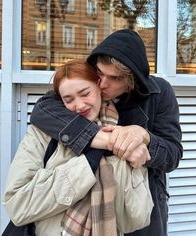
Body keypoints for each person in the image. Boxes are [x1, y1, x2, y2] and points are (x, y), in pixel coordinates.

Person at [30, 29, 183, 236]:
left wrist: (144, 136)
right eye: (100, 73)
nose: (102, 83)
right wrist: (106, 139)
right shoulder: (87, 81)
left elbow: (172, 155)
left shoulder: (159, 93)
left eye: (114, 78)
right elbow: (43, 110)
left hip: (142, 205)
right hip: (87, 202)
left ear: (132, 80)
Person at [3, 59, 153, 236]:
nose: (80, 105)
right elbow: (17, 206)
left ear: (99, 87)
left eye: (85, 93)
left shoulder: (122, 135)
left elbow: (136, 219)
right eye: (69, 100)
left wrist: (125, 155)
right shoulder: (42, 133)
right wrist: (89, 162)